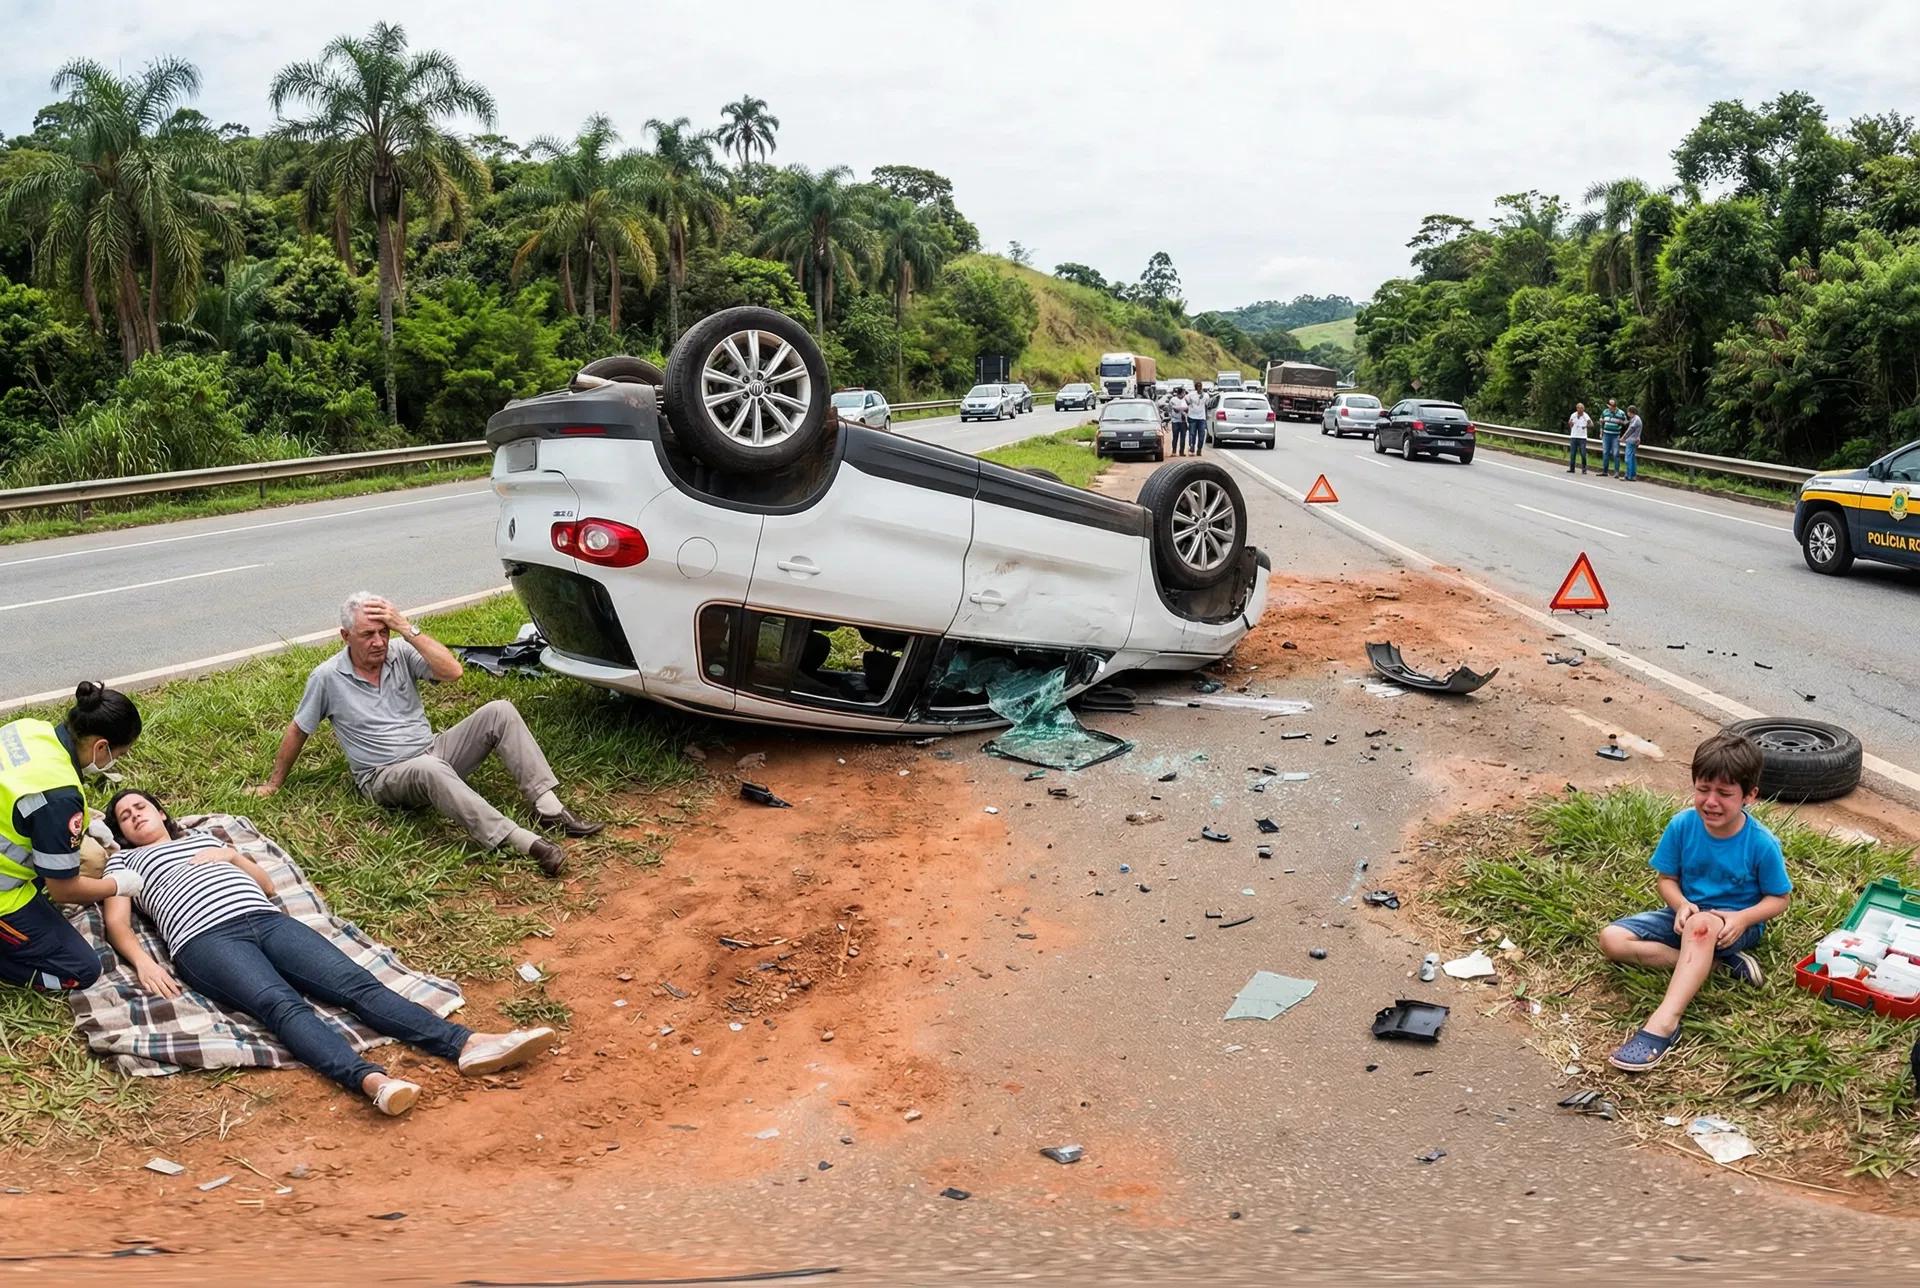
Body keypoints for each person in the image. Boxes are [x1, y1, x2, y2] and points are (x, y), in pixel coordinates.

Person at [101, 789, 552, 1117]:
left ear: (162, 811)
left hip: (268, 920)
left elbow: (267, 885)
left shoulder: (206, 841)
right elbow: (117, 923)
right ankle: (372, 1082)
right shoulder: (125, 863)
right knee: (280, 1006)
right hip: (205, 940)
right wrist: (143, 961)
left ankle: (467, 1044)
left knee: (356, 985)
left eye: (140, 806)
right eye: (124, 816)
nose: (134, 816)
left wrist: (231, 859)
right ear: (120, 832)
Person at [252, 593, 602, 878]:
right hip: (384, 776)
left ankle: (548, 807)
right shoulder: (326, 677)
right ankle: (521, 840)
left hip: (432, 750)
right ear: (345, 636)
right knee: (430, 770)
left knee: (500, 710)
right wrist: (274, 782)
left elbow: (453, 672)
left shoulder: (400, 651)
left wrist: (406, 628)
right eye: (367, 635)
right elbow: (299, 728)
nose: (378, 642)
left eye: (383, 632)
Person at [1600, 732, 1791, 1072]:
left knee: (1703, 926)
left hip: (1733, 927)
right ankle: (1720, 967)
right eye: (1703, 789)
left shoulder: (1761, 844)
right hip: (1685, 917)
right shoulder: (1682, 825)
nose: (1711, 801)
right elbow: (1667, 880)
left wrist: (1744, 919)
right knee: (1611, 939)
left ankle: (1664, 1023)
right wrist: (1681, 905)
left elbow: (1779, 899)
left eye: (1724, 793)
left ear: (1750, 796)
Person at [0, 682, 149, 993]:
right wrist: (118, 885)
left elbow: (22, 796)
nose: (116, 760)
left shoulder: (29, 729)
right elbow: (65, 890)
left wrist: (86, 822)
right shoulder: (61, 798)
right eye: (119, 753)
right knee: (82, 969)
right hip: (4, 892)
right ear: (101, 747)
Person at [1599, 397, 1628, 477]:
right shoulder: (1605, 412)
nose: (1610, 407)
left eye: (1612, 405)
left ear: (1615, 406)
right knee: (1605, 452)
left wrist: (1621, 423)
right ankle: (1605, 471)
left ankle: (1616, 472)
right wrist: (1601, 432)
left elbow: (1626, 423)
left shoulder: (1621, 413)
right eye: (1610, 405)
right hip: (1606, 434)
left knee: (1616, 453)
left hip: (1615, 435)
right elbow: (1601, 423)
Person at [1566, 402, 1591, 474]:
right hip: (1574, 436)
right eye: (1579, 408)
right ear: (1577, 408)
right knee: (1572, 453)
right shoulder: (1573, 415)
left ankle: (1584, 469)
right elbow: (1569, 422)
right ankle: (1572, 468)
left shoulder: (1585, 416)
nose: (1581, 410)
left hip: (1582, 437)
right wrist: (1571, 423)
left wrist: (1585, 426)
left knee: (1583, 453)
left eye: (1582, 408)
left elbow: (1591, 424)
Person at [1621, 405, 1643, 481]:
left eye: (1628, 412)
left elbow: (1630, 429)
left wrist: (1623, 437)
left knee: (1628, 459)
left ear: (1630, 412)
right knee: (1632, 458)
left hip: (1631, 441)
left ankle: (1628, 475)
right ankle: (1633, 475)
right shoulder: (1634, 419)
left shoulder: (1636, 419)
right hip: (1634, 440)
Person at [1187, 387, 1209, 457]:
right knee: (1192, 433)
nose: (1199, 388)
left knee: (1201, 435)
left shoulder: (1206, 395)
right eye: (1198, 387)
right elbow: (1186, 400)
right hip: (1192, 417)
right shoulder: (1191, 394)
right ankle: (1192, 447)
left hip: (1201, 418)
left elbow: (1207, 404)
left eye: (1200, 386)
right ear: (1196, 388)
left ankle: (1199, 449)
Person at [1168, 390, 1190, 456]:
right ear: (1178, 394)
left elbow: (1188, 408)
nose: (1184, 395)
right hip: (1175, 421)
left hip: (1183, 421)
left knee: (1183, 437)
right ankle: (1174, 451)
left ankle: (1181, 452)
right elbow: (1171, 409)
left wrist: (1186, 410)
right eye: (1183, 393)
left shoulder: (1185, 400)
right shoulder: (1173, 400)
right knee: (1175, 436)